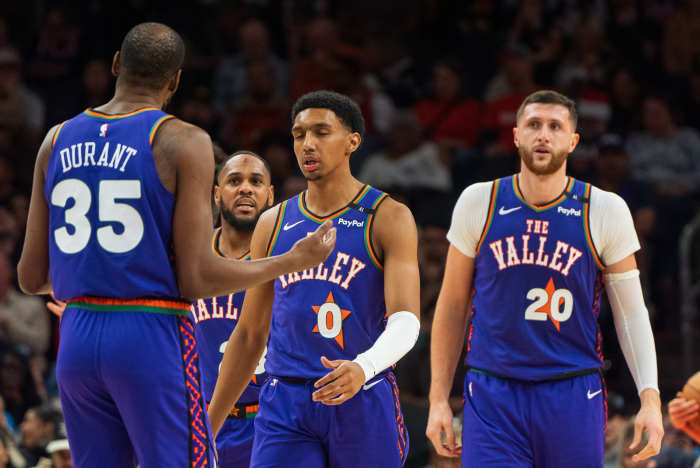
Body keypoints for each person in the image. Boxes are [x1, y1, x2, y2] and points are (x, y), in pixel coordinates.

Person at [16, 22, 335, 468]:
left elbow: (31, 278)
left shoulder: (55, 140)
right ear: (176, 80)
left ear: (115, 66)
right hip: (150, 329)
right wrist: (292, 259)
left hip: (76, 337)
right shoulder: (182, 140)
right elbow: (198, 277)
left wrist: (98, 277)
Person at [426, 90, 664, 467]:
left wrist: (649, 398)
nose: (543, 135)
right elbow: (453, 305)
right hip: (493, 392)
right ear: (516, 135)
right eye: (534, 125)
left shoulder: (604, 209)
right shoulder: (479, 201)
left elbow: (632, 314)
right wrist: (438, 398)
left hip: (572, 390)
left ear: (573, 142)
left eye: (555, 127)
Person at [208, 90, 421, 468]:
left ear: (352, 141)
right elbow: (249, 333)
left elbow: (406, 320)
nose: (307, 144)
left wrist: (364, 367)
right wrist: (207, 430)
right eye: (299, 134)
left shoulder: (387, 216)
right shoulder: (272, 223)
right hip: (285, 401)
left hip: (360, 390)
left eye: (321, 132)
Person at [192, 151, 274, 467]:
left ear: (270, 195)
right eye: (234, 181)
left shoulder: (288, 260)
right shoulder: (188, 257)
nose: (245, 188)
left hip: (266, 421)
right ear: (216, 194)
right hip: (196, 416)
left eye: (256, 181)